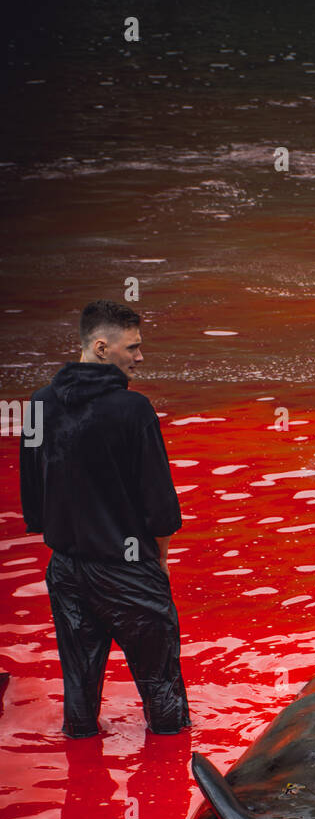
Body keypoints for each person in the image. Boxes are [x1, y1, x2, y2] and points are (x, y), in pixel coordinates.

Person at [19, 300, 190, 737]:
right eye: (132, 347)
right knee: (163, 694)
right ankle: (171, 788)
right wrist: (160, 563)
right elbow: (160, 508)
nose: (140, 356)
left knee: (78, 691)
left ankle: (78, 778)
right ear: (100, 347)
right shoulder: (133, 410)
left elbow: (33, 502)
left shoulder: (38, 406)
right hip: (128, 569)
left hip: (66, 569)